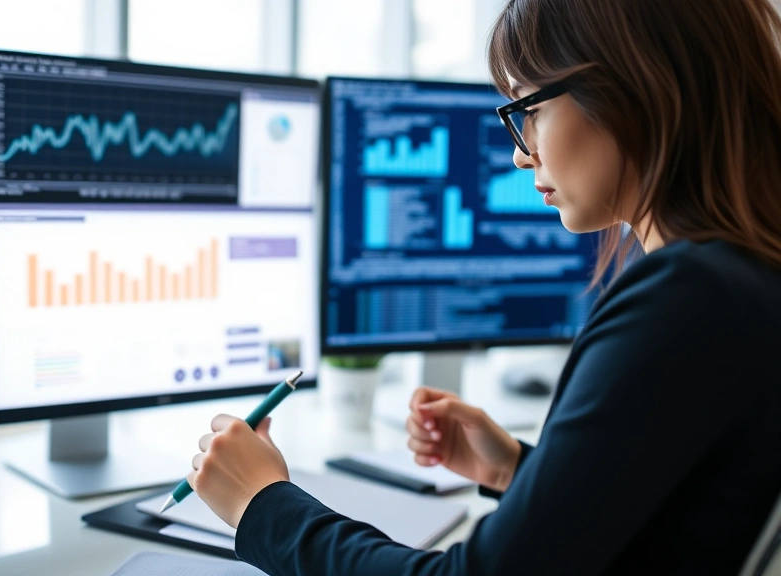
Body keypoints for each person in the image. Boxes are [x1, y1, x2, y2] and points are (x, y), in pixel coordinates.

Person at [186, 0, 781, 573]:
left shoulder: (686, 299)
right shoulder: (741, 277)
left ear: (635, 90)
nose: (523, 155)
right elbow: (680, 531)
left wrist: (261, 506)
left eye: (533, 110)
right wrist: (523, 475)